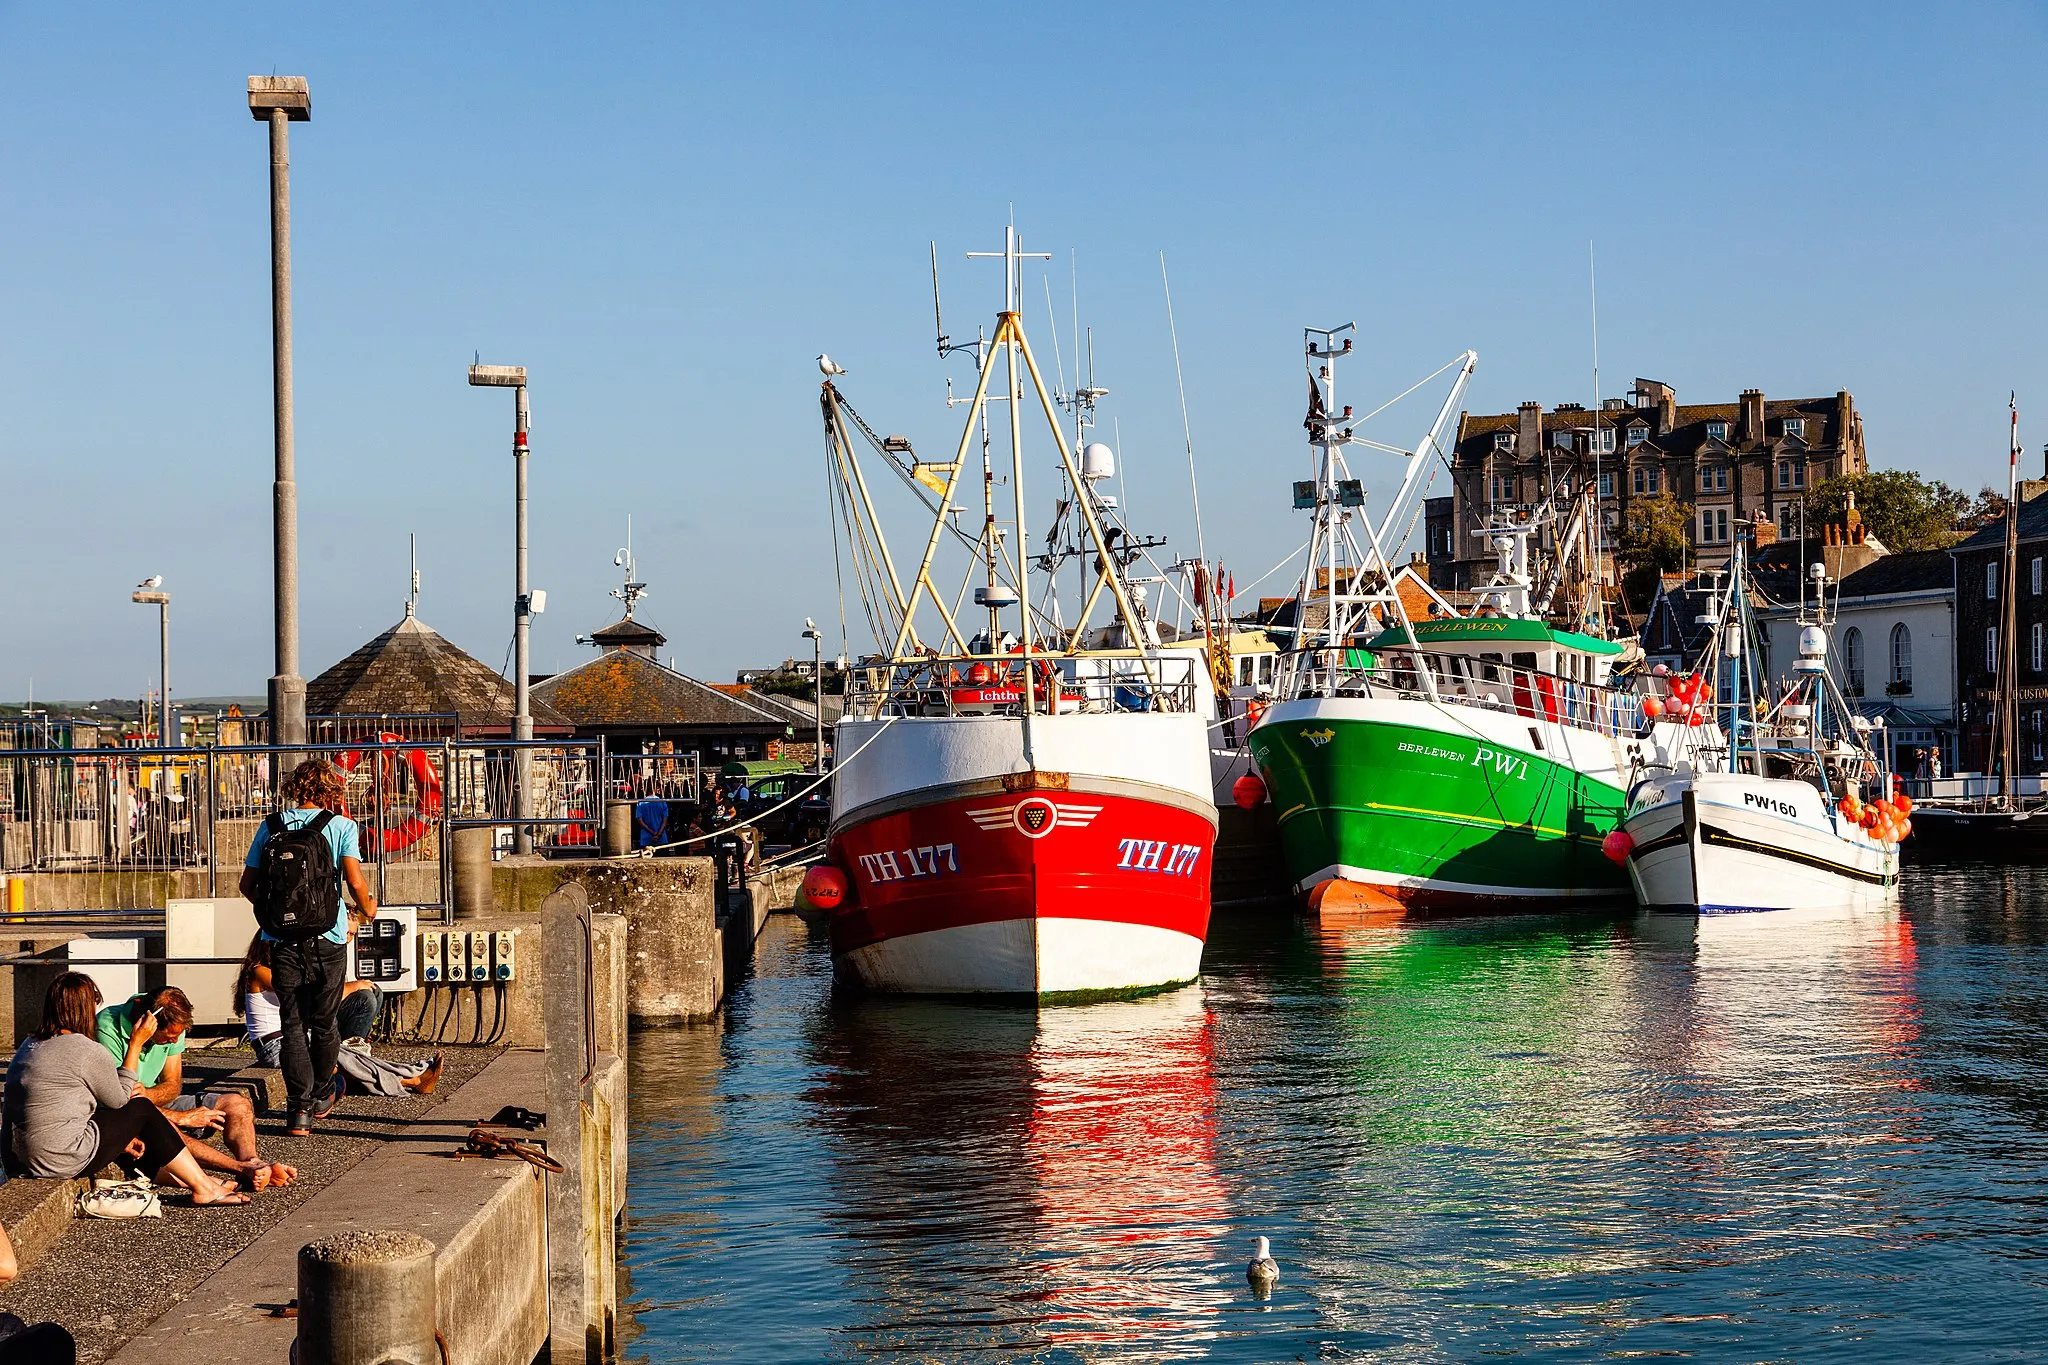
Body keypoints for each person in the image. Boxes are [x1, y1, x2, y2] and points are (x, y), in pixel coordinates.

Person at [4, 973, 250, 1206]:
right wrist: (136, 1043)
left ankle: (208, 1183)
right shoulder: (85, 1050)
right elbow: (123, 1101)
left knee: (131, 1130)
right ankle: (204, 1187)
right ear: (85, 1010)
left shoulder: (30, 1044)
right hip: (58, 1159)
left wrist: (119, 1138)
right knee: (141, 1108)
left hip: (20, 1159)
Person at [240, 759, 378, 1136]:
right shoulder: (341, 826)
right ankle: (320, 1096)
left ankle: (297, 1113)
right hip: (328, 938)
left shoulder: (270, 827)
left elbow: (247, 885)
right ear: (331, 791)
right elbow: (354, 880)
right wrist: (368, 907)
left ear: (294, 788)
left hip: (281, 939)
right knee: (325, 1021)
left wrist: (272, 917)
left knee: (293, 1023)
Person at [95, 986, 295, 1191]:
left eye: (178, 1035)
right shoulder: (108, 1027)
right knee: (164, 1128)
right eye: (167, 1037)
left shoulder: (173, 1025)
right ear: (148, 1024)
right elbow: (123, 1099)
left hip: (153, 1100)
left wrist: (149, 1094)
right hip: (129, 1112)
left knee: (237, 1104)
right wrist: (181, 1117)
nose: (174, 1041)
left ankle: (254, 1164)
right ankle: (242, 1169)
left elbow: (172, 1084)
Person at [233, 935, 441, 1097]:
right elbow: (305, 994)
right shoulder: (259, 971)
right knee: (341, 1060)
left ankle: (413, 1073)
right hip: (274, 1046)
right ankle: (410, 1080)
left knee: (349, 1056)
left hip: (294, 1038)